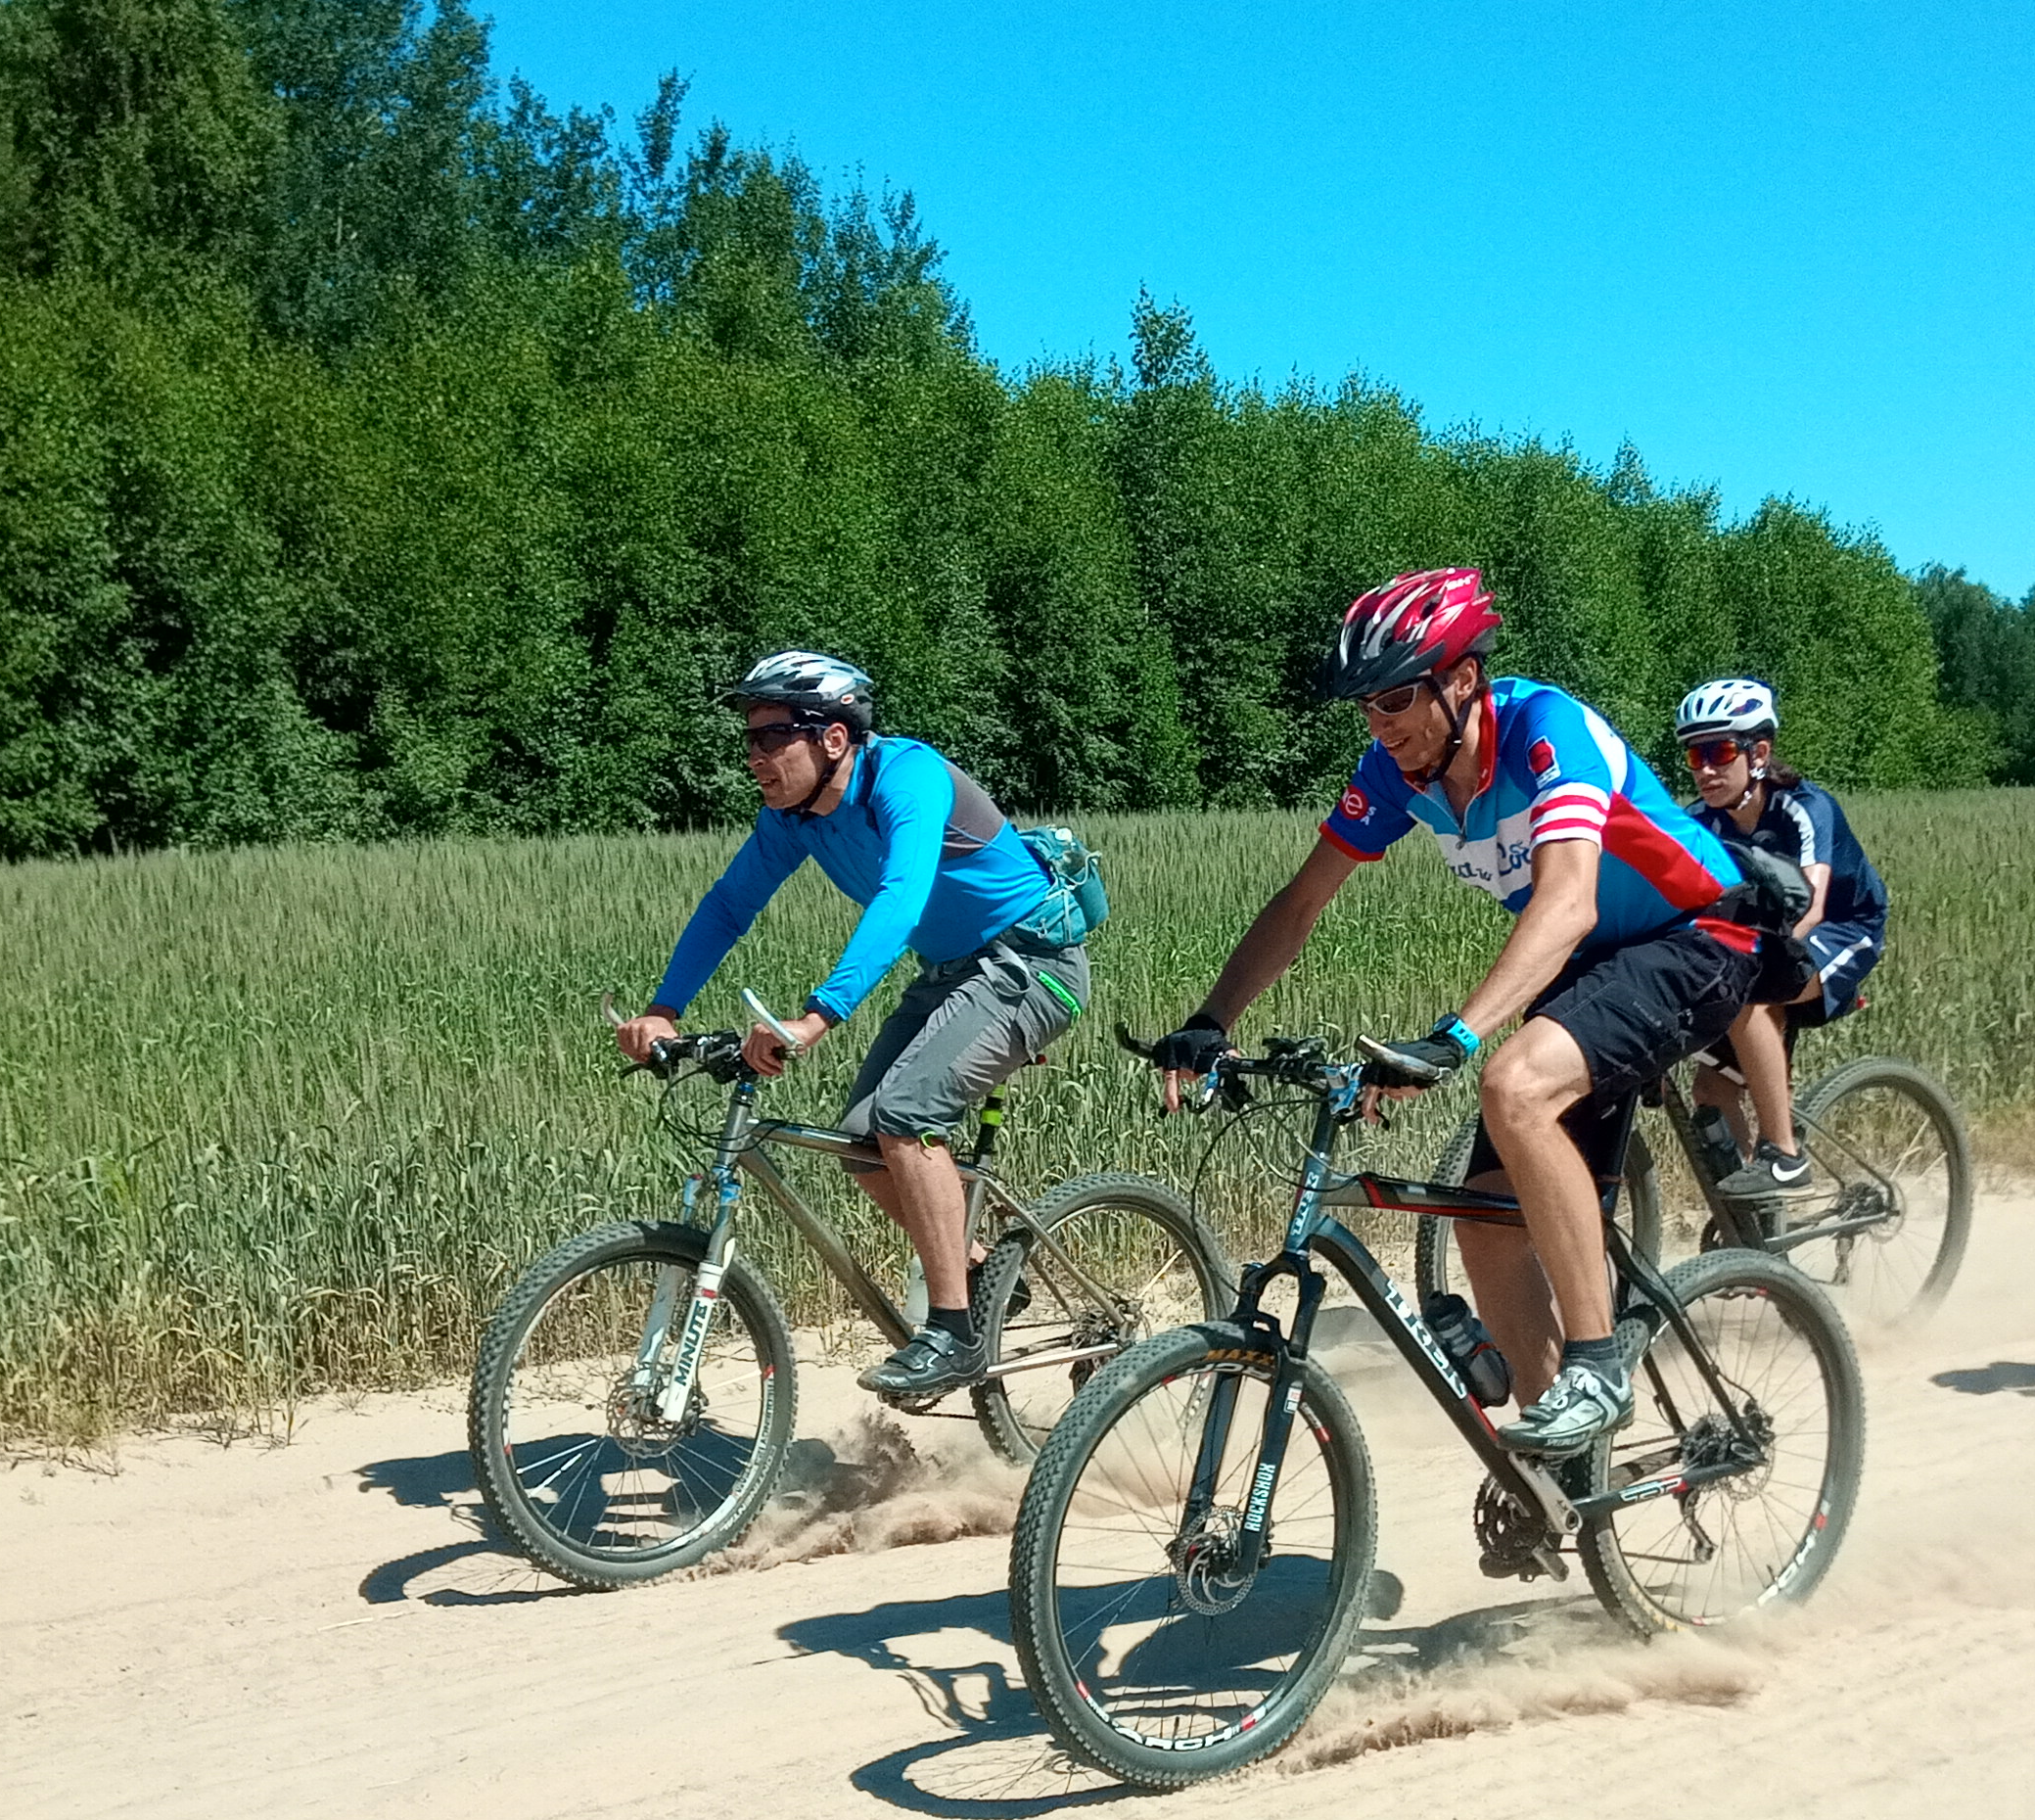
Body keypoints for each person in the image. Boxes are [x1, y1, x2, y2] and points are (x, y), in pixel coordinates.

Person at [1150, 569, 1760, 1450]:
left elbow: (1568, 903)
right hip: (1593, 965)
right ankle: (1566, 1472)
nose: (1380, 722)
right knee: (1484, 1218)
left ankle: (1596, 1366)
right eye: (1366, 705)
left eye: (1397, 697)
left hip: (1698, 937)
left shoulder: (1546, 730)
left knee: (1514, 1085)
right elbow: (1302, 902)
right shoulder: (1395, 774)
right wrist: (1213, 1019)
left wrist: (1456, 1036)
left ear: (1462, 678)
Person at [621, 651, 1091, 1403]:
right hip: (953, 971)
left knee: (906, 1115)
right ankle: (974, 1268)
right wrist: (664, 1008)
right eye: (749, 740)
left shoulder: (908, 778)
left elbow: (901, 898)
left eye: (772, 737)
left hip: (1031, 963)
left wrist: (818, 1016)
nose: (754, 756)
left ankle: (952, 1333)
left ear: (833, 738)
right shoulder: (792, 820)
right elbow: (729, 906)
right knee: (862, 1139)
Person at [1667, 676, 1890, 1190]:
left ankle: (1785, 1156)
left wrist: (1742, 961)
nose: (1705, 769)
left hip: (1843, 928)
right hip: (1761, 943)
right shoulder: (1698, 822)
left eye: (1719, 752)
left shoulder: (1803, 807)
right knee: (1711, 1092)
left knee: (1753, 992)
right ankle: (1758, 1214)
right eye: (1694, 755)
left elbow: (1810, 907)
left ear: (1759, 753)